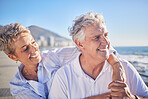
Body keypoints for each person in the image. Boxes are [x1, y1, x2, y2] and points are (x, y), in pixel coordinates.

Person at [0, 23, 125, 99]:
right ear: (13, 57)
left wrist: (116, 64)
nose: (34, 49)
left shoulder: (53, 57)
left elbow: (92, 48)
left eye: (33, 42)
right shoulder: (18, 87)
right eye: (25, 48)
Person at [49, 12, 148, 99]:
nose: (106, 42)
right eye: (96, 37)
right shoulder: (64, 76)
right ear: (80, 44)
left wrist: (132, 97)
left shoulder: (124, 68)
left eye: (105, 35)